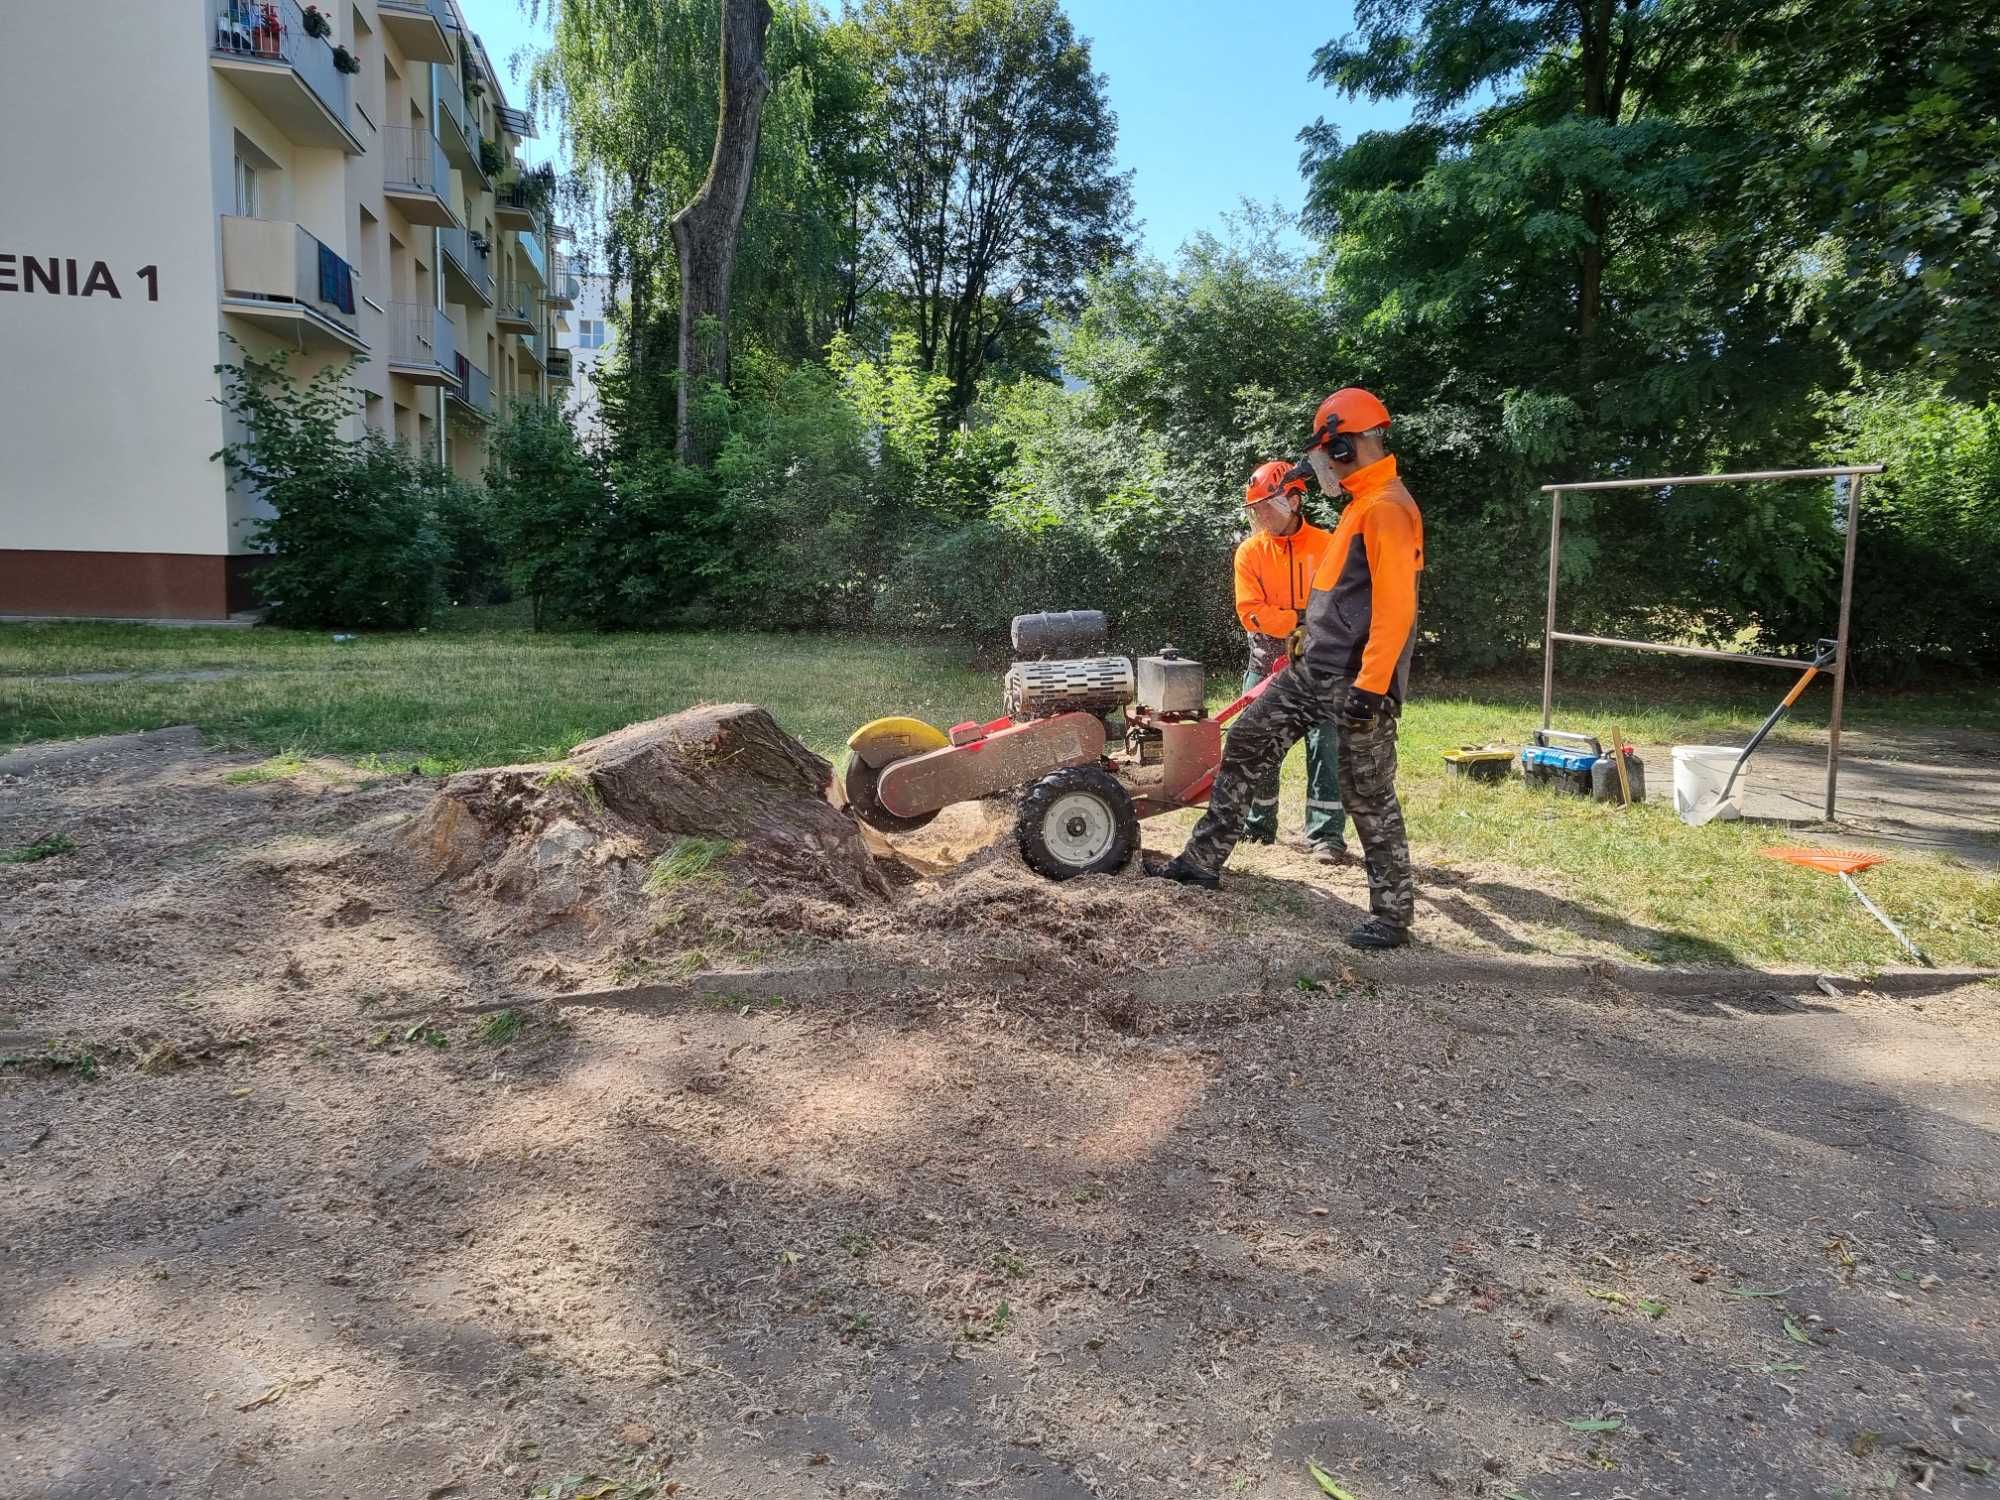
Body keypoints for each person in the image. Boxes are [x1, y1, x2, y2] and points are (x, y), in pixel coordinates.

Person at [1150, 388, 1423, 951]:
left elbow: (1397, 607)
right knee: (1248, 741)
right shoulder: (1359, 505)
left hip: (1354, 680)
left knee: (1366, 792)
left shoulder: (1387, 509)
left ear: (1343, 445)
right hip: (1311, 671)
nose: (1319, 464)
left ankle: (1393, 916)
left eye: (1325, 451)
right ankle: (1201, 862)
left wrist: (1371, 689)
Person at [1233, 459, 1348, 862]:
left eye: (1268, 505)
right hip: (1267, 661)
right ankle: (1258, 823)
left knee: (1328, 742)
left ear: (1294, 499)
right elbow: (1250, 610)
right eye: (1256, 508)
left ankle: (1326, 836)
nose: (1261, 515)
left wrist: (1313, 623)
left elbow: (1343, 603)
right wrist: (1299, 620)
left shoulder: (1328, 544)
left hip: (1322, 663)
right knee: (1255, 740)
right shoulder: (1250, 552)